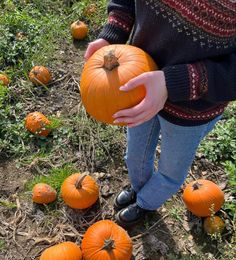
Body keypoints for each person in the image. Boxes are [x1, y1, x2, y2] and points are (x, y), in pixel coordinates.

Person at [84, 0, 236, 228]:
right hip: (137, 88)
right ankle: (138, 188)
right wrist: (114, 31)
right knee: (135, 155)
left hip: (192, 108)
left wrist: (175, 82)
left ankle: (146, 203)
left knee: (171, 171)